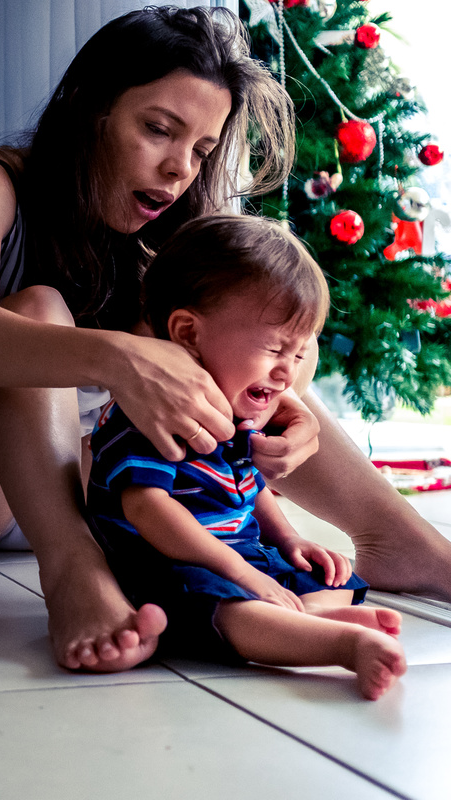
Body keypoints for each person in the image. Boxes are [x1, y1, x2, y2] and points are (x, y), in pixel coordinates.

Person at [0, 5, 451, 673]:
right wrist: (120, 355)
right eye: (159, 130)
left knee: (235, 334)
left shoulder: (168, 231)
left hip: (57, 472)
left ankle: (407, 546)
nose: (178, 169)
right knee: (40, 308)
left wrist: (292, 408)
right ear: (90, 108)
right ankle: (73, 571)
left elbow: (263, 349)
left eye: (200, 149)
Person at [86, 215, 406, 699]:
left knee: (327, 574)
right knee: (232, 608)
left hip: (239, 554)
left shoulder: (235, 409)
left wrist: (290, 540)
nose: (286, 374)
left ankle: (308, 613)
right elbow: (148, 509)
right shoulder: (147, 412)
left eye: (298, 356)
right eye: (276, 348)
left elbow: (248, 486)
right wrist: (240, 573)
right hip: (165, 565)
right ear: (189, 334)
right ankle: (339, 643)